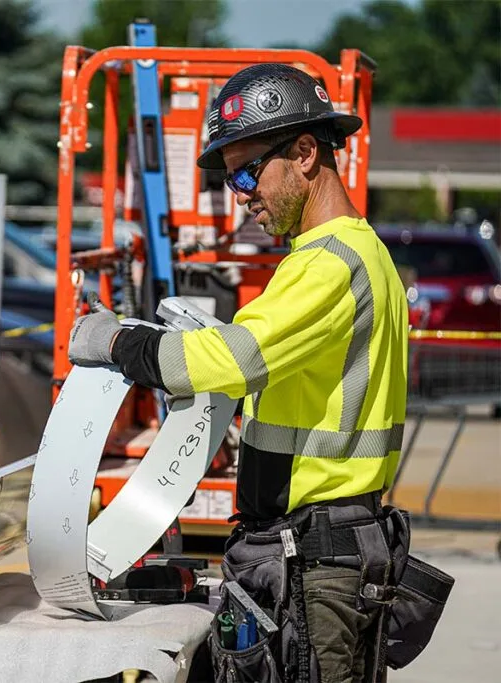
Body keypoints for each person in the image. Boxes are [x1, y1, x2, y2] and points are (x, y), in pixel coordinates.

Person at [69, 64, 412, 682]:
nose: (242, 193)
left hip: (317, 559)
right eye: (232, 181)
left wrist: (116, 340)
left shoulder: (329, 264)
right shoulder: (357, 254)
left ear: (306, 153)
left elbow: (223, 362)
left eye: (250, 172)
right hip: (330, 547)